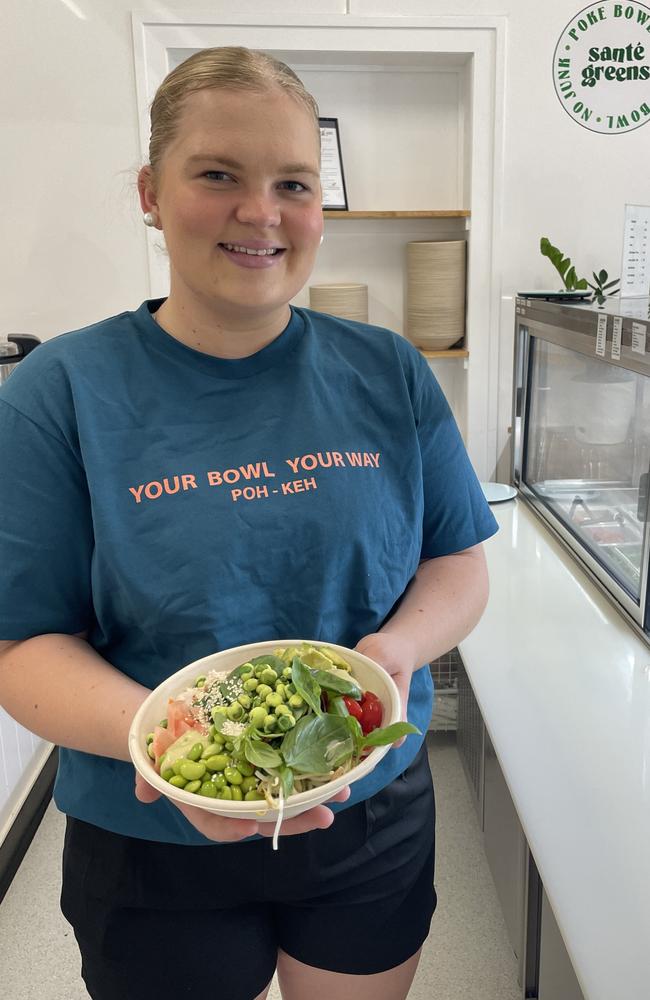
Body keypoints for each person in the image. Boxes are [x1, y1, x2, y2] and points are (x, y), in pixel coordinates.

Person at [0, 46, 497, 1000]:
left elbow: (456, 560)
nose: (261, 211)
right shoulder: (60, 393)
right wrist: (179, 747)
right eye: (218, 174)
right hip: (147, 831)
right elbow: (23, 644)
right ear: (152, 190)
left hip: (362, 806)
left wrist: (393, 653)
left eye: (293, 183)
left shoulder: (388, 371)